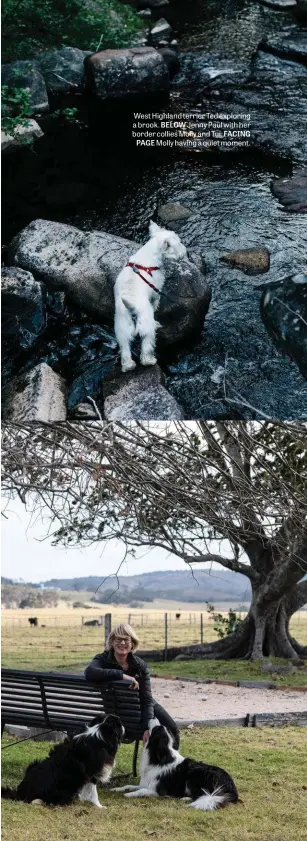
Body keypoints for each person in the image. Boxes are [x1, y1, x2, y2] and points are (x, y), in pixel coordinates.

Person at [85, 623, 180, 748]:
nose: (122, 643)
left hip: (141, 705)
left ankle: (169, 765)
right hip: (118, 709)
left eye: (126, 640)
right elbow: (90, 672)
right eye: (118, 639)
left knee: (172, 729)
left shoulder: (140, 666)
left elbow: (146, 700)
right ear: (112, 642)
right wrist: (122, 675)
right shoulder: (102, 659)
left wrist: (147, 727)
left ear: (132, 644)